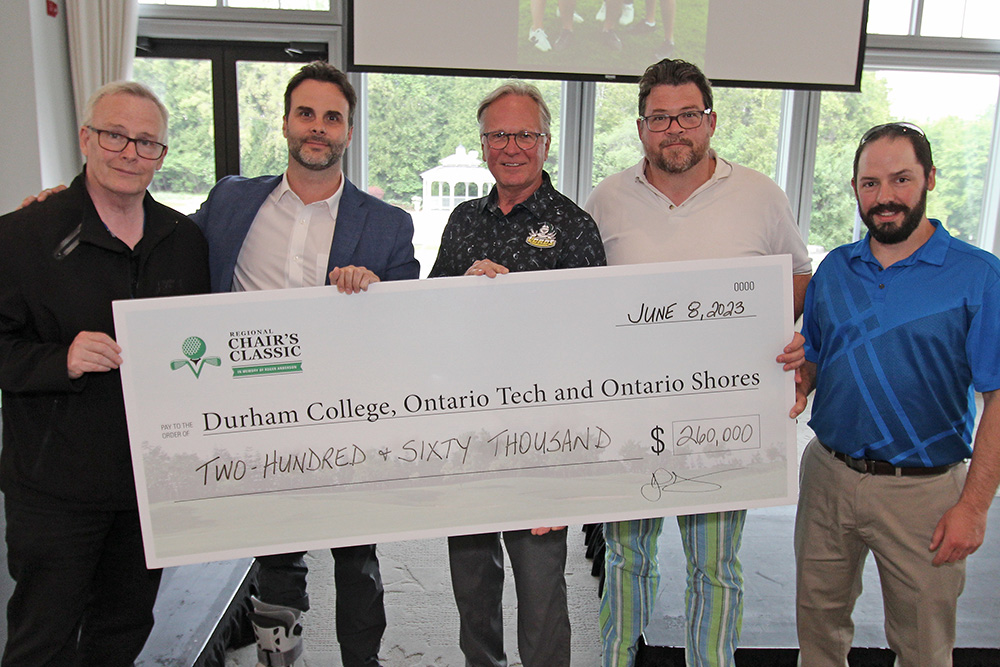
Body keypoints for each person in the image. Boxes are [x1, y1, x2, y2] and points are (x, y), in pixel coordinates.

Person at [583, 58, 812, 667]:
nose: (674, 129)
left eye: (687, 115)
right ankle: (617, 659)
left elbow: (798, 278)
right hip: (630, 417)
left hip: (725, 416)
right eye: (660, 118)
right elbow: (578, 296)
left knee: (715, 564)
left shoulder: (760, 194)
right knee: (626, 558)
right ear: (640, 128)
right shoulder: (606, 198)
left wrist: (781, 336)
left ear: (710, 120)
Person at [189, 61, 418, 667]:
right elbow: (160, 243)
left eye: (332, 117)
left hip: (346, 417)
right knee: (276, 555)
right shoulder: (231, 201)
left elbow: (406, 322)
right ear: (287, 121)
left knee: (355, 557)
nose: (318, 127)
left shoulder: (388, 224)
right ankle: (277, 658)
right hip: (253, 417)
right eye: (306, 114)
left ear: (349, 129)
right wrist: (77, 200)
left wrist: (376, 292)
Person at [0, 82, 210, 666]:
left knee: (125, 628)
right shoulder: (20, 237)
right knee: (43, 635)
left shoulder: (184, 241)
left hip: (148, 485)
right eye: (115, 135)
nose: (130, 152)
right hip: (54, 487)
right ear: (86, 139)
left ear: (162, 154)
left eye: (147, 142)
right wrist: (58, 358)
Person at [792, 123, 1000, 667]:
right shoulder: (835, 270)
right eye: (869, 183)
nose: (884, 196)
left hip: (925, 495)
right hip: (827, 480)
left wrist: (974, 508)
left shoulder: (979, 277)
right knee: (817, 631)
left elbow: (999, 398)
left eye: (901, 179)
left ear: (930, 178)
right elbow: (816, 355)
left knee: (923, 647)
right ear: (855, 189)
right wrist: (798, 379)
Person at [429, 82, 606, 667]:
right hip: (469, 436)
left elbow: (592, 345)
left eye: (523, 134)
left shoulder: (575, 227)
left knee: (541, 597)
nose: (511, 146)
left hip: (541, 443)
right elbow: (429, 319)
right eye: (498, 134)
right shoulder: (461, 221)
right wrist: (463, 293)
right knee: (472, 588)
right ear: (483, 146)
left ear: (546, 143)